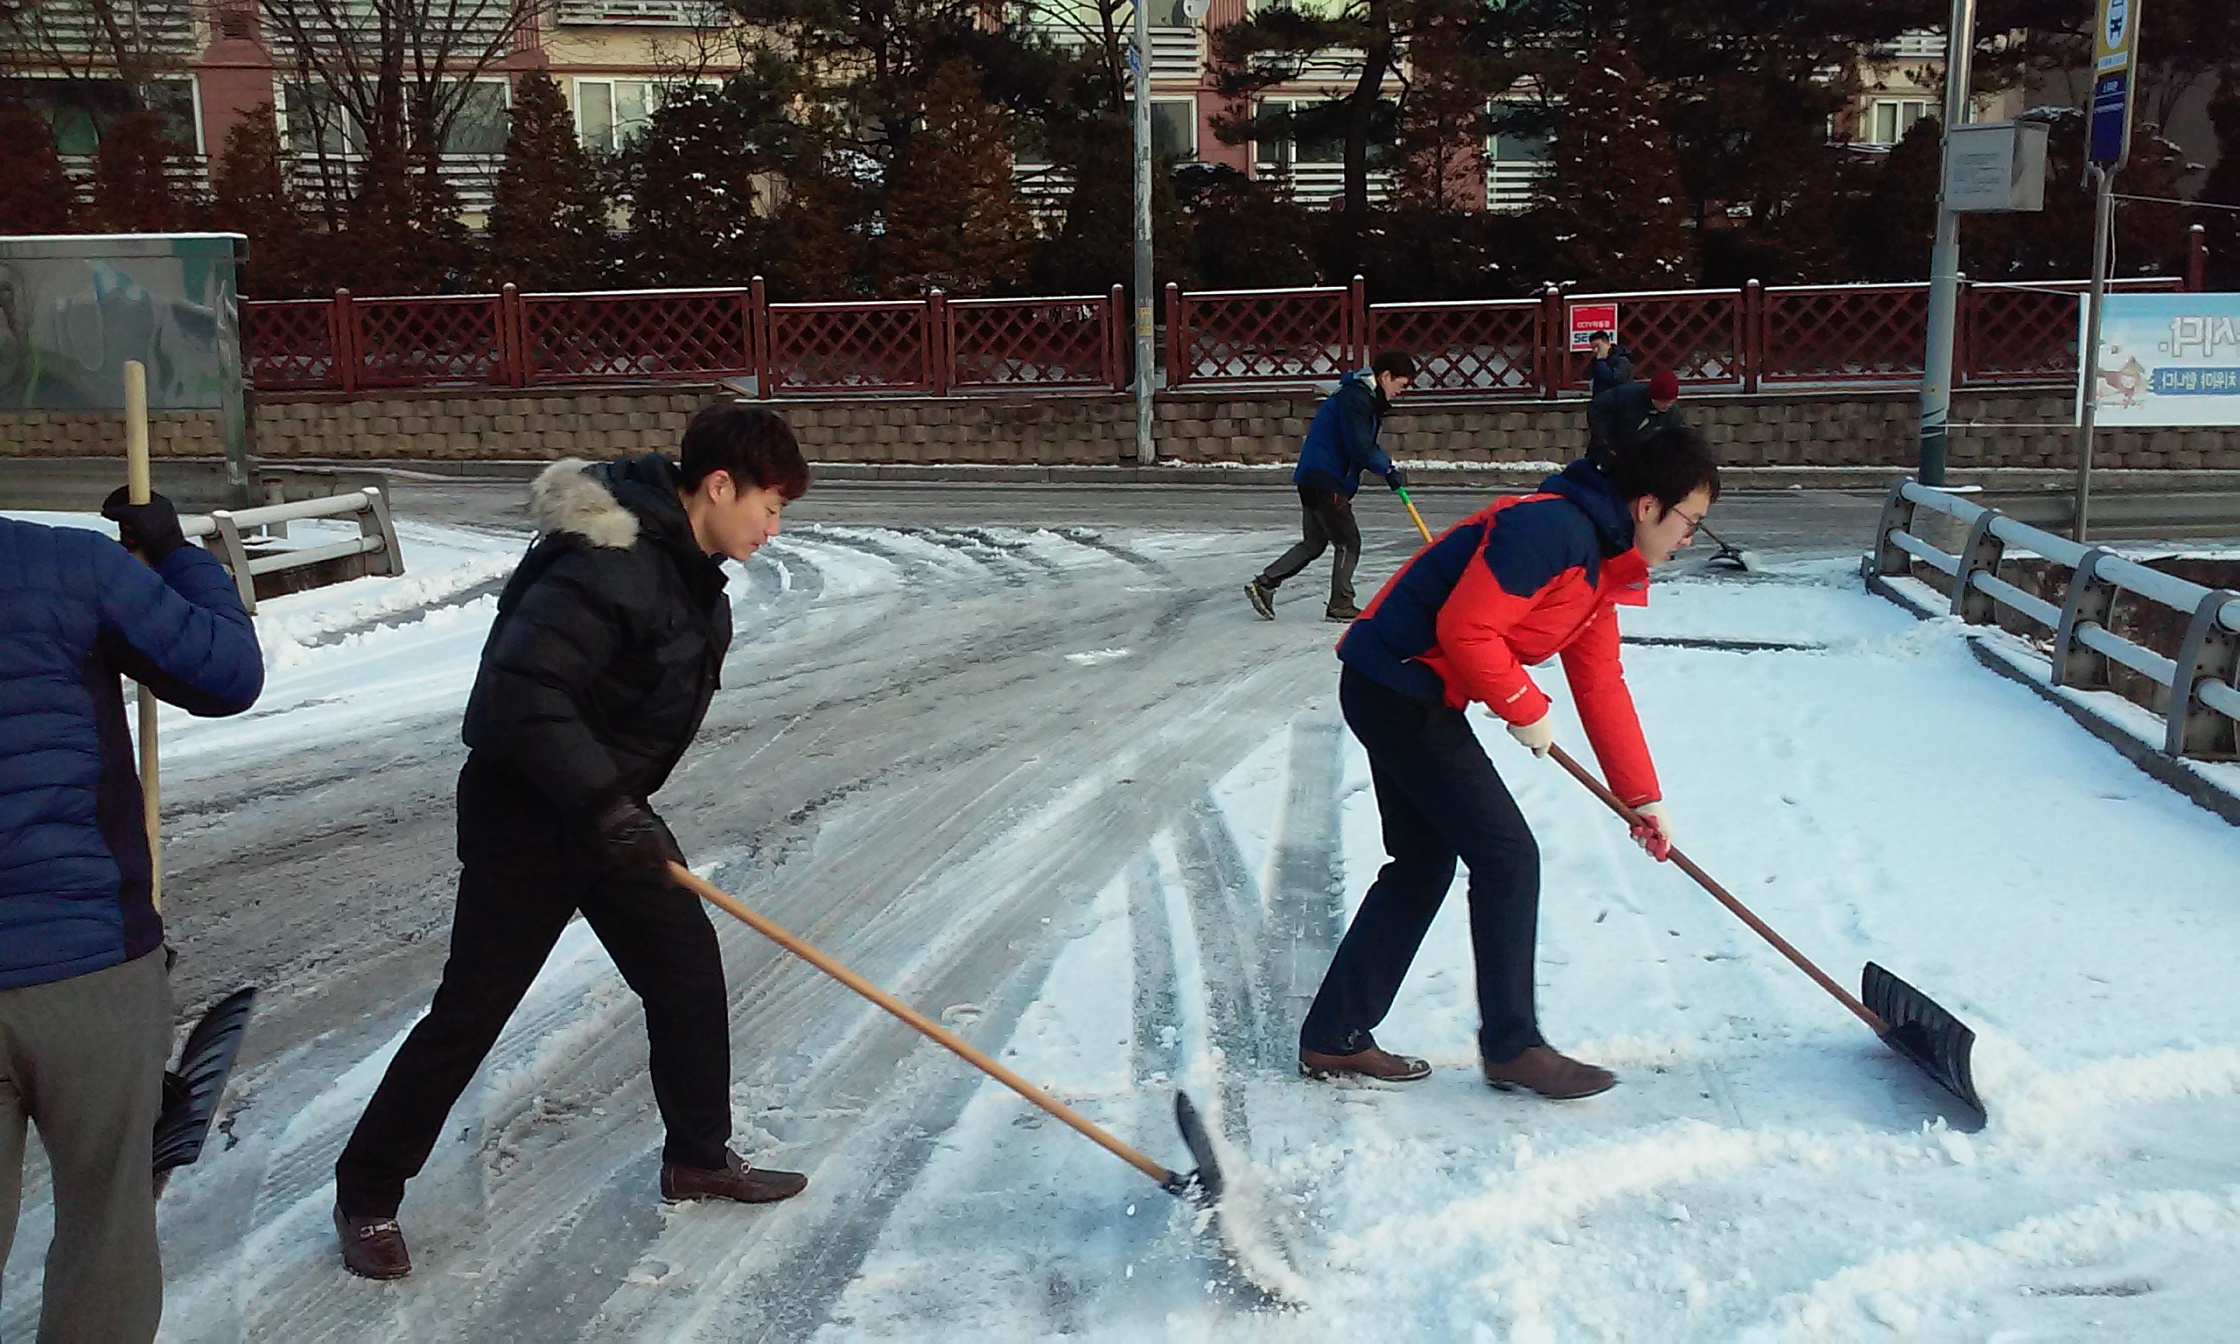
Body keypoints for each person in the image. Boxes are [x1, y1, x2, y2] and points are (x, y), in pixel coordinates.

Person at [332, 404, 812, 1280]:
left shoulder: (682, 568)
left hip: (605, 811)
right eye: (769, 507)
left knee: (686, 971)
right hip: (529, 815)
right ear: (718, 487)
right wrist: (604, 805)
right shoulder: (605, 561)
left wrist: (614, 810)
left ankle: (697, 1157)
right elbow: (517, 698)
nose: (773, 529)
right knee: (473, 1010)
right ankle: (366, 1193)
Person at [1296, 424, 1719, 1100]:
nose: (1688, 539)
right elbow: (1465, 628)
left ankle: (1336, 1034)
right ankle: (1513, 1046)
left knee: (1424, 863)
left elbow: (1601, 684)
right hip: (1399, 686)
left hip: (1403, 689)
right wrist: (1524, 705)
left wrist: (1642, 798)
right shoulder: (1553, 531)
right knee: (1507, 856)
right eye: (1689, 522)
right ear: (1647, 506)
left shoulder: (1599, 565)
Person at [1, 491, 264, 1341]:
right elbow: (226, 671)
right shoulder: (68, 567)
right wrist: (176, 553)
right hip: (89, 971)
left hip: (85, 957)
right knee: (106, 1221)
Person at [1246, 349, 1418, 623]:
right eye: (1401, 384)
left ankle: (1265, 584)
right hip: (1328, 478)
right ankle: (1340, 604)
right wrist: (1386, 468)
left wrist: (1383, 466)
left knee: (1314, 542)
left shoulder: (1358, 396)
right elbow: (1360, 447)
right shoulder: (1357, 399)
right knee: (1349, 542)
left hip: (1313, 475)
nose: (1401, 391)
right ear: (1386, 376)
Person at [1588, 366, 1681, 463]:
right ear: (1653, 396)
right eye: (1662, 401)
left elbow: (1675, 440)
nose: (1667, 405)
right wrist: (1602, 441)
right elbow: (1596, 408)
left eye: (1671, 401)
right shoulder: (1627, 396)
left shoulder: (1673, 416)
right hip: (1606, 454)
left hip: (1640, 463)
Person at [1586, 332, 1634, 398]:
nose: (1595, 350)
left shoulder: (1621, 359)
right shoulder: (1596, 361)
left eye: (1598, 346)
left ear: (1608, 344)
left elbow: (1614, 379)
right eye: (1593, 348)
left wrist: (1601, 360)